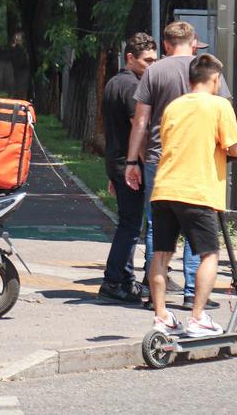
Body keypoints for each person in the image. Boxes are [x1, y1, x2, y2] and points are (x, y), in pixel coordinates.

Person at [126, 21, 232, 311]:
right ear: (194, 42)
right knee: (197, 232)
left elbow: (141, 122)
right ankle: (192, 294)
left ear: (166, 43)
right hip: (198, 159)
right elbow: (222, 115)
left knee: (155, 231)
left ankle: (153, 296)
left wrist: (132, 160)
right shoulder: (206, 70)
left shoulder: (154, 71)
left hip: (159, 158)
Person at [149, 54, 237, 337]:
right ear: (215, 79)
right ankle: (198, 317)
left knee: (162, 253)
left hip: (164, 189)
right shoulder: (219, 105)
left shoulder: (173, 106)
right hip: (197, 190)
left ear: (190, 80)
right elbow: (234, 147)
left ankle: (162, 316)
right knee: (209, 255)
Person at [98, 32, 157, 303]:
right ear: (130, 57)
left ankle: (123, 279)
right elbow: (139, 127)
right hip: (129, 163)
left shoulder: (113, 82)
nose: (151, 66)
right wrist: (143, 165)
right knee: (131, 226)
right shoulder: (131, 86)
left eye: (155, 60)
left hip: (117, 161)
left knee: (129, 224)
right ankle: (113, 281)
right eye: (147, 61)